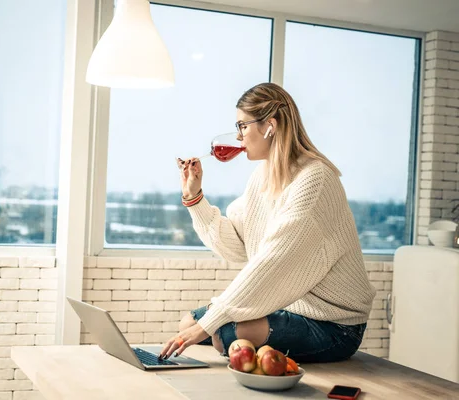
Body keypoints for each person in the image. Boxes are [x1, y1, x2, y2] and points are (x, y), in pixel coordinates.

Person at [160, 82, 376, 363]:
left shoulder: (315, 180)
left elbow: (271, 263)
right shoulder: (262, 177)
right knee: (188, 324)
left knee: (224, 332)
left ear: (270, 126)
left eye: (242, 126)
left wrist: (209, 323)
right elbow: (238, 246)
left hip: (334, 326)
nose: (238, 137)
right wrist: (195, 199)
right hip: (290, 307)